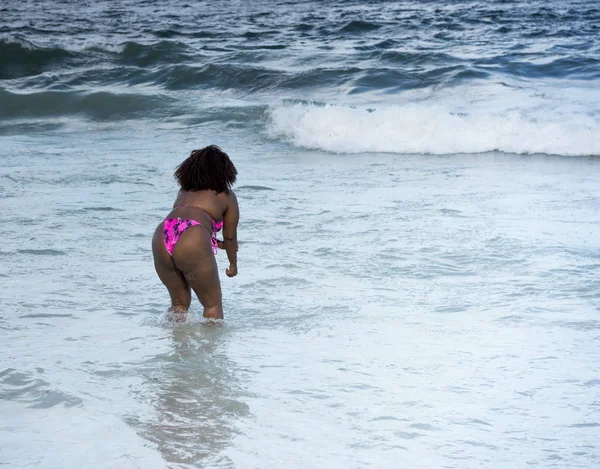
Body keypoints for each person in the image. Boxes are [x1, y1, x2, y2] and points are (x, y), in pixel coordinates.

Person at [152, 145, 239, 320]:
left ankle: (178, 345)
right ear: (224, 172)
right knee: (212, 305)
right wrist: (233, 264)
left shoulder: (183, 191)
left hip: (163, 232)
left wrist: (215, 243)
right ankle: (212, 347)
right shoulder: (227, 196)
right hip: (193, 237)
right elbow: (229, 237)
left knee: (179, 305)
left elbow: (184, 225)